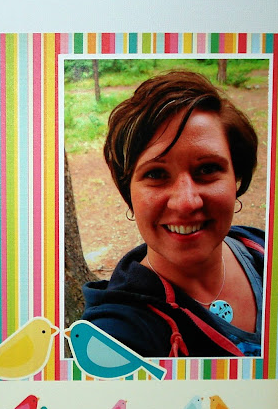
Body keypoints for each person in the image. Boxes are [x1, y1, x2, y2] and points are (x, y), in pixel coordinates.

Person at [82, 70, 264, 358]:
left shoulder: (268, 253)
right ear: (128, 192)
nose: (186, 202)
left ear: (236, 178)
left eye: (207, 169)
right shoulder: (115, 337)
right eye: (156, 174)